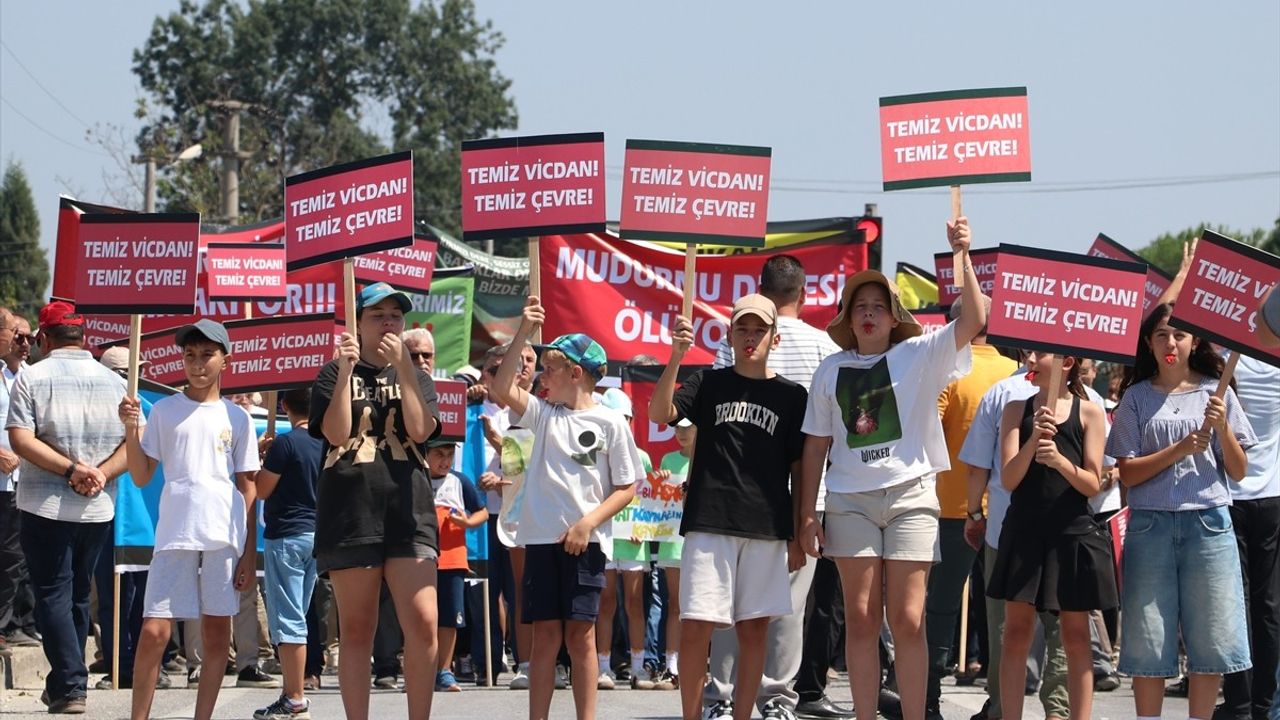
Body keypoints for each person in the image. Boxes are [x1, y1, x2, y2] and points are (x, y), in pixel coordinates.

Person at [798, 218, 985, 720]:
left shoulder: (921, 354)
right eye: (859, 307)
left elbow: (973, 321)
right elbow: (815, 447)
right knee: (859, 618)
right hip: (848, 503)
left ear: (893, 316)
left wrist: (961, 253)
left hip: (910, 499)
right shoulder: (830, 370)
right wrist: (808, 514)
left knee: (907, 618)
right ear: (848, 318)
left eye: (877, 306)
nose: (868, 314)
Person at [650, 293, 809, 720]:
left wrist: (797, 532)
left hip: (766, 524)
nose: (751, 337)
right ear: (730, 334)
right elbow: (659, 411)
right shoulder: (707, 382)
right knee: (697, 623)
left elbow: (799, 469)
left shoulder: (793, 396)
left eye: (760, 330)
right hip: (709, 520)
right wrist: (676, 357)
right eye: (743, 328)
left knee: (754, 627)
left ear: (775, 338)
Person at [704, 255, 844, 720]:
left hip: (740, 492)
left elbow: (713, 410)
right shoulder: (825, 346)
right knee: (786, 606)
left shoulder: (735, 342)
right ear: (803, 295)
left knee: (727, 603)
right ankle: (777, 700)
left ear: (761, 292)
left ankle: (722, 697)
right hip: (808, 493)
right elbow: (835, 424)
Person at [490, 296, 642, 720]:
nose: (541, 376)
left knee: (581, 637)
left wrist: (587, 523)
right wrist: (523, 331)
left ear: (575, 373)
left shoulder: (610, 422)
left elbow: (627, 487)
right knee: (544, 637)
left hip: (586, 544)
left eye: (550, 368)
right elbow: (502, 389)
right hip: (539, 540)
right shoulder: (542, 413)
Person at [1106, 303, 1256, 720]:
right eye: (1161, 335)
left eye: (1179, 335)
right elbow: (1127, 473)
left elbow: (1240, 471)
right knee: (1148, 639)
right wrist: (1176, 450)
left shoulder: (1217, 391)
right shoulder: (1134, 397)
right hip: (1149, 526)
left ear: (1195, 342)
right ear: (1149, 343)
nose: (1171, 343)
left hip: (1209, 525)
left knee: (1211, 639)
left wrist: (1222, 427)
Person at [309, 281, 442, 720]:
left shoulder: (418, 376)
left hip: (410, 512)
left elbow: (421, 432)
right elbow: (335, 434)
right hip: (351, 513)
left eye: (395, 316)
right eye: (377, 315)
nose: (388, 323)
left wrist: (405, 368)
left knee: (423, 624)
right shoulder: (332, 373)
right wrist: (346, 372)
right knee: (358, 629)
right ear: (358, 324)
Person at [118, 319, 259, 720]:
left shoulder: (239, 418)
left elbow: (248, 487)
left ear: (225, 361)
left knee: (217, 636)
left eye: (207, 355)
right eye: (189, 355)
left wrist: (249, 554)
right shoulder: (164, 410)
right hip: (175, 532)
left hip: (223, 535)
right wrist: (131, 430)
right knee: (153, 632)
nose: (197, 364)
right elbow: (143, 474)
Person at [6, 301, 128, 714]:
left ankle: (72, 684)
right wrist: (100, 474)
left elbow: (21, 440)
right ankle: (64, 682)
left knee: (54, 593)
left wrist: (75, 470)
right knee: (76, 593)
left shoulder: (32, 378)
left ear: (44, 338)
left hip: (47, 505)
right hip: (97, 507)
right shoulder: (114, 382)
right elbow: (135, 445)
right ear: (84, 338)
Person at [987, 351, 1117, 720]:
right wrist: (1033, 442)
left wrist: (1060, 460)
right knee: (1015, 632)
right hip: (1025, 531)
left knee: (1076, 635)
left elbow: (1092, 484)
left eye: (1040, 353)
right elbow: (1010, 479)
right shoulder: (1015, 409)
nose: (1030, 358)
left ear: (1068, 362)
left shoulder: (1089, 411)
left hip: (1071, 533)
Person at [927, 295, 1017, 715]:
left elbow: (929, 428)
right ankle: (1000, 703)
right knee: (1000, 614)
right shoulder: (1016, 373)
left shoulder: (949, 371)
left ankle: (926, 697)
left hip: (951, 505)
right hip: (1003, 506)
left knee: (941, 609)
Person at [253, 387, 323, 720]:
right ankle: (291, 692)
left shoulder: (286, 442)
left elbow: (262, 488)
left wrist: (260, 458)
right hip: (318, 536)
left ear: (284, 406)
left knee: (290, 620)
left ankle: (294, 696)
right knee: (299, 615)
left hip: (287, 536)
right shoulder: (328, 442)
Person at [595, 386, 662, 691]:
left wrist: (644, 530)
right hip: (605, 538)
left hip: (634, 540)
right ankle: (603, 667)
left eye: (625, 419)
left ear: (632, 422)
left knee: (635, 604)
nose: (620, 424)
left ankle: (639, 668)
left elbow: (648, 501)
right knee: (605, 603)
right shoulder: (596, 455)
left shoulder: (643, 458)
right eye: (614, 418)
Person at [424, 437, 488, 692]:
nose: (446, 461)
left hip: (452, 560)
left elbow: (481, 511)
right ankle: (420, 670)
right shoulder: (416, 477)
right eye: (439, 454)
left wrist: (469, 523)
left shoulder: (460, 481)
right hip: (420, 559)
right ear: (425, 454)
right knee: (421, 618)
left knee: (450, 618)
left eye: (450, 454)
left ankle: (444, 670)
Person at [0, 308, 38, 656]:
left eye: (31, 337)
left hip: (24, 480)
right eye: (18, 335)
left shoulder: (31, 377)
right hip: (2, 476)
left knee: (20, 556)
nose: (25, 343)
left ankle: (19, 623)